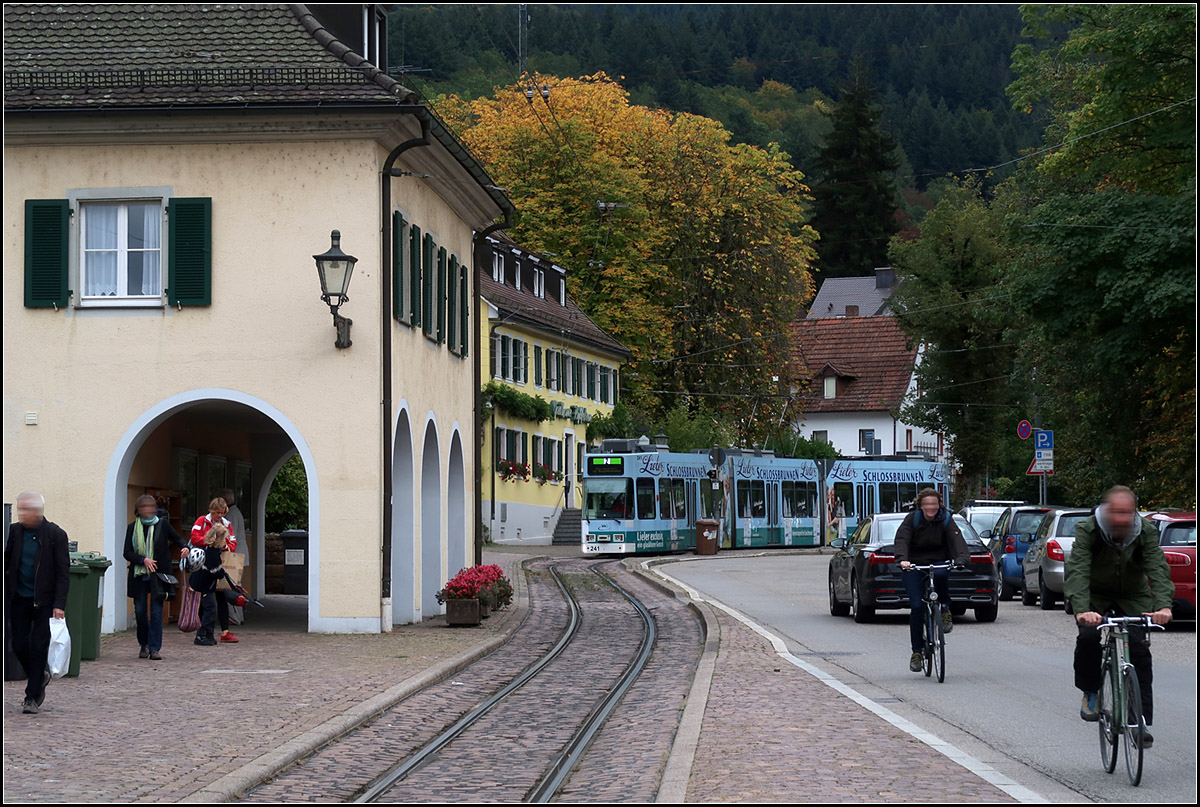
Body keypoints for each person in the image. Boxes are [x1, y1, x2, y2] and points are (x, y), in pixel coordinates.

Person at [1065, 485, 1172, 748]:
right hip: (1095, 596)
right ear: (1108, 511)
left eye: (1128, 512)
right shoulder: (1089, 529)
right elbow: (1078, 569)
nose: (1123, 518)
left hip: (1132, 596)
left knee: (1139, 650)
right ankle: (1091, 692)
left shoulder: (1144, 530)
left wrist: (1163, 606)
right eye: (1118, 512)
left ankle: (1139, 722)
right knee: (1089, 637)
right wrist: (1081, 609)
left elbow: (1157, 566)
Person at [4, 491, 70, 714]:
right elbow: (8, 560)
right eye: (20, 509)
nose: (22, 513)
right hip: (19, 598)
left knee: (38, 646)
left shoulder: (55, 534)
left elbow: (63, 573)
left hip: (44, 601)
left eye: (26, 509)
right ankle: (39, 675)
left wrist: (59, 604)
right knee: (19, 645)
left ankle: (31, 697)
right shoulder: (15, 531)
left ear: (38, 511)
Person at [895, 487, 969, 673]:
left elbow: (957, 540)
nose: (931, 507)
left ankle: (944, 608)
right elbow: (902, 539)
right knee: (918, 607)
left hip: (938, 560)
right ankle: (917, 652)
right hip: (914, 565)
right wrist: (902, 559)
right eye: (927, 504)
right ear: (920, 505)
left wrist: (961, 559)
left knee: (943, 574)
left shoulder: (945, 519)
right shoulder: (912, 519)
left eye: (934, 504)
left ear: (939, 504)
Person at [123, 494, 188, 660]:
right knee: (140, 612)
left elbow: (178, 539)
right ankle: (143, 643)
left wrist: (185, 548)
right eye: (144, 507)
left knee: (157, 613)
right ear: (138, 510)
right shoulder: (132, 527)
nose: (149, 509)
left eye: (151, 506)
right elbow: (127, 552)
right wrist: (142, 560)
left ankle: (154, 648)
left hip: (158, 576)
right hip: (139, 576)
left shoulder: (163, 525)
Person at [190, 498, 239, 643]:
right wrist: (212, 541)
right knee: (206, 602)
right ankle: (204, 631)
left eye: (222, 513)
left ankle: (224, 631)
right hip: (204, 564)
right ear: (212, 510)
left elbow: (233, 543)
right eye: (217, 512)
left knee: (222, 598)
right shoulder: (202, 521)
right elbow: (194, 539)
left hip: (220, 561)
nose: (220, 515)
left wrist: (222, 546)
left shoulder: (226, 524)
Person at [188, 523, 231, 647]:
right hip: (204, 586)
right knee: (210, 609)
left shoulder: (206, 548)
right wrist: (223, 574)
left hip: (199, 584)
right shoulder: (213, 552)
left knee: (204, 609)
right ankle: (202, 634)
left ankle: (209, 635)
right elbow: (215, 571)